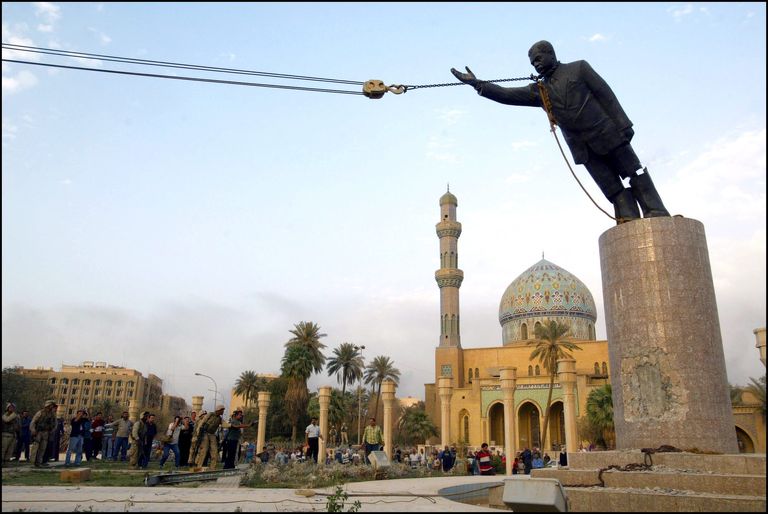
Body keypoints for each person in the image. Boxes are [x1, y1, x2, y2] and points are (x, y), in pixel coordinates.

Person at [451, 40, 670, 224]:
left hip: (607, 133)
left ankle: (656, 210)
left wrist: (624, 124)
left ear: (550, 54)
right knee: (611, 187)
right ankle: (628, 217)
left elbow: (606, 95)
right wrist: (477, 84)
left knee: (634, 172)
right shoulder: (540, 91)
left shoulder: (579, 68)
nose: (536, 64)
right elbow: (508, 95)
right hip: (582, 148)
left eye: (538, 58)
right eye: (532, 62)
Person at [190, 404, 225, 469]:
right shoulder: (210, 414)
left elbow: (225, 424)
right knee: (203, 450)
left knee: (214, 451)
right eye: (222, 410)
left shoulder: (220, 418)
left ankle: (212, 467)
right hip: (204, 433)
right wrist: (198, 434)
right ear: (219, 410)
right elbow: (202, 423)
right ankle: (198, 466)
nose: (223, 412)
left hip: (212, 434)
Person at [29, 400, 58, 467]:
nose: (52, 407)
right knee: (35, 448)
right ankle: (32, 462)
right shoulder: (40, 412)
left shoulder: (52, 414)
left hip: (46, 433)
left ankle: (39, 462)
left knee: (42, 448)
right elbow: (33, 422)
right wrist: (33, 430)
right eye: (51, 405)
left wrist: (52, 430)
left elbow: (55, 424)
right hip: (38, 432)